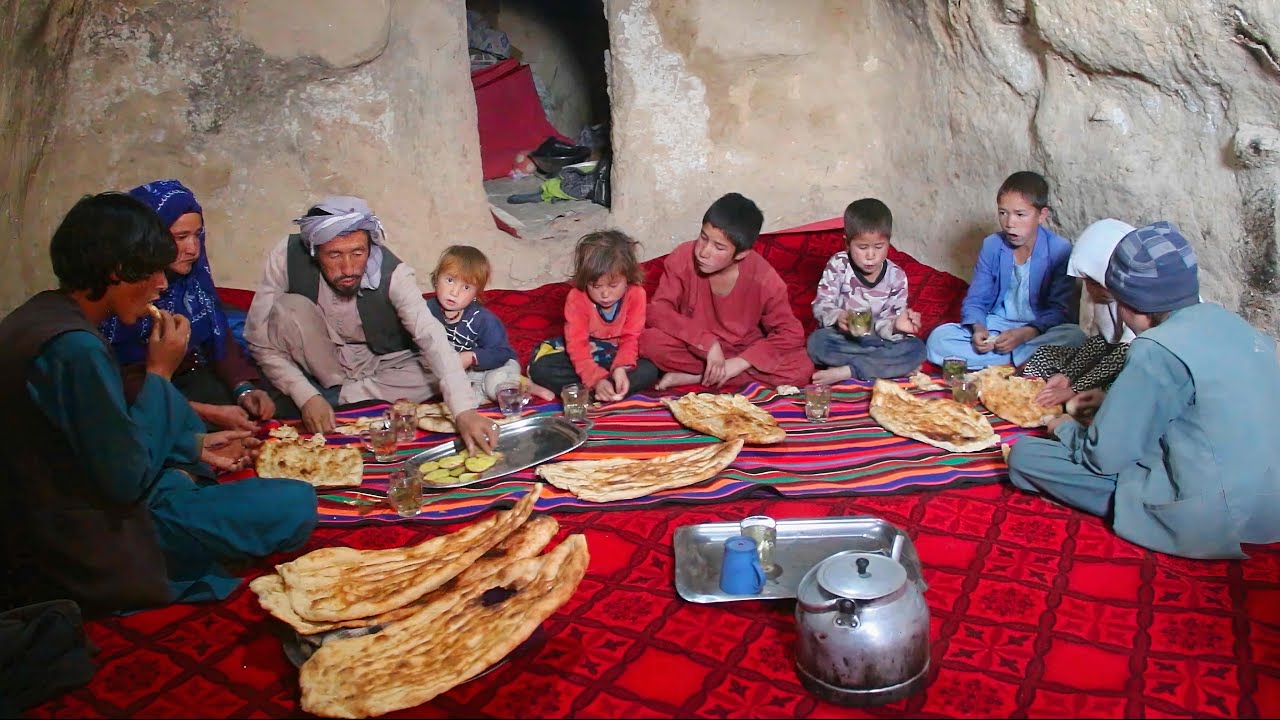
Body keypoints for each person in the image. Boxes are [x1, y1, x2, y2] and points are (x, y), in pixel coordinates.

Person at [0, 192, 317, 614]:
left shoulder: (43, 313)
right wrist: (160, 371)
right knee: (294, 503)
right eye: (151, 272)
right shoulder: (75, 349)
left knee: (188, 459)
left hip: (73, 501)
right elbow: (125, 480)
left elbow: (91, 439)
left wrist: (193, 447)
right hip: (84, 538)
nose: (162, 284)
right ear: (116, 271)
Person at [1007, 221, 1280, 559]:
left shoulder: (1154, 349)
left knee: (1025, 457)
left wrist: (1063, 429)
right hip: (1269, 506)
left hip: (1211, 514)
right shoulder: (1232, 324)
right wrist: (1110, 401)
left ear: (1126, 303)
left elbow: (1103, 457)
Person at [242, 196, 497, 452]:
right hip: (318, 356)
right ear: (314, 250)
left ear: (369, 247)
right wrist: (305, 395)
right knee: (287, 309)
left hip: (380, 361)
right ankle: (321, 392)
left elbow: (430, 336)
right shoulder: (286, 257)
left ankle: (336, 398)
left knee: (432, 371)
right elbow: (258, 339)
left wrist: (464, 410)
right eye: (334, 255)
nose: (348, 268)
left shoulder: (395, 275)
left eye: (358, 253)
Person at [98, 179, 274, 431]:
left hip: (192, 378)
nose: (193, 249)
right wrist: (208, 413)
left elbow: (219, 340)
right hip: (142, 400)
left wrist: (244, 389)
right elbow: (121, 387)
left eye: (197, 235)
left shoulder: (193, 282)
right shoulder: (123, 296)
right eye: (180, 237)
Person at [639, 193, 814, 390]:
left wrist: (740, 363)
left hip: (740, 351)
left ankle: (695, 377)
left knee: (801, 367)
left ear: (741, 254)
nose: (704, 252)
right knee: (649, 342)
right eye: (703, 238)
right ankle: (713, 373)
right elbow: (658, 311)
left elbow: (791, 333)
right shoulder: (682, 257)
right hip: (695, 345)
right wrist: (707, 343)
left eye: (719, 247)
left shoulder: (764, 278)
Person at [926, 171, 1086, 369]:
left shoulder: (1059, 250)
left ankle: (1000, 362)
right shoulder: (992, 245)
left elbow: (1060, 310)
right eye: (1003, 213)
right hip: (997, 328)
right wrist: (978, 328)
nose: (1010, 224)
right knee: (938, 339)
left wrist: (1026, 333)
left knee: (1075, 337)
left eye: (1020, 214)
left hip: (1038, 331)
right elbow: (977, 298)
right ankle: (1022, 363)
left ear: (1041, 215)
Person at [528, 230, 661, 401]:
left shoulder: (636, 294)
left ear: (628, 277)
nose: (605, 294)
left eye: (613, 285)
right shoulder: (577, 297)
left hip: (617, 355)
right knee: (542, 368)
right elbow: (577, 345)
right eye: (596, 286)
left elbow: (631, 338)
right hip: (585, 354)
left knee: (649, 369)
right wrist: (595, 379)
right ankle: (603, 391)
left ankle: (600, 391)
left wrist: (620, 368)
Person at [808, 198, 927, 384]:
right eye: (862, 247)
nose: (871, 256)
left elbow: (887, 325)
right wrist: (838, 317)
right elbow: (821, 305)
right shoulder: (838, 265)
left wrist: (896, 326)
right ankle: (886, 367)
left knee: (917, 349)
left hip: (879, 340)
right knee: (816, 342)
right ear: (847, 244)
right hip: (844, 340)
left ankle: (849, 370)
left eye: (879, 247)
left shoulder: (897, 276)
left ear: (888, 243)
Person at [1021, 218, 1136, 407]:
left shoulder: (1139, 298)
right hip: (1109, 358)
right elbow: (1101, 342)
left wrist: (1073, 389)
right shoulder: (1102, 295)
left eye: (1094, 282)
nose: (1090, 290)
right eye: (1086, 282)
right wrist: (1067, 376)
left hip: (1134, 368)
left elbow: (1124, 353)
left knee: (1112, 392)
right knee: (1043, 356)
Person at [426, 245, 554, 404]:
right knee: (462, 398)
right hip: (468, 374)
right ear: (436, 278)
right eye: (450, 280)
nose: (454, 292)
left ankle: (525, 384)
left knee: (496, 386)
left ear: (476, 294)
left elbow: (503, 352)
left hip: (497, 365)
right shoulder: (425, 310)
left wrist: (472, 357)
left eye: (466, 287)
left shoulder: (483, 319)